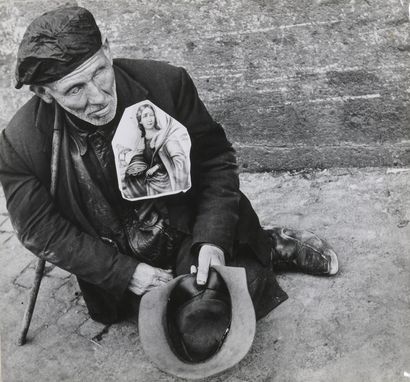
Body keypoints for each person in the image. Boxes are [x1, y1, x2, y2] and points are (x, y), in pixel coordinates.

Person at [0, 6, 338, 326]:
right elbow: (39, 229)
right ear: (44, 93)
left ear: (107, 48)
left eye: (100, 72)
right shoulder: (20, 144)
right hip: (117, 255)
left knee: (227, 300)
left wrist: (212, 239)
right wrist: (124, 273)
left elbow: (215, 162)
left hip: (183, 227)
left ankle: (265, 245)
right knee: (184, 329)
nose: (98, 97)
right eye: (75, 90)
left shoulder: (166, 84)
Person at [125, 103, 191, 198]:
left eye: (151, 115)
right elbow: (141, 159)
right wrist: (136, 165)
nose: (149, 119)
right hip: (150, 181)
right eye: (145, 116)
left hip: (166, 180)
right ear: (140, 121)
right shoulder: (141, 141)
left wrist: (156, 167)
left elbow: (177, 159)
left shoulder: (163, 136)